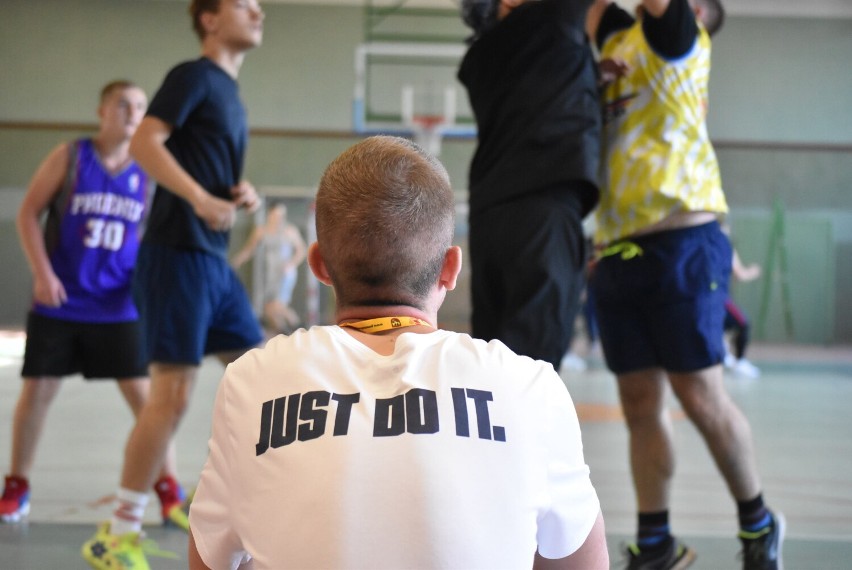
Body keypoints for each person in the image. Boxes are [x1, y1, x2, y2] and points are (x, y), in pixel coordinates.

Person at [187, 136, 609, 570]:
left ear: (318, 265)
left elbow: (210, 561)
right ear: (450, 267)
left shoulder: (253, 380)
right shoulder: (529, 385)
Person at [586, 0, 784, 568]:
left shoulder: (680, 37)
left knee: (700, 397)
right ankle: (656, 544)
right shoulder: (613, 44)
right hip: (618, 247)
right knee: (639, 403)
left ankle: (758, 524)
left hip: (682, 241)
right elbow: (595, 12)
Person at [82, 1, 265, 568]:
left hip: (213, 262)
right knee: (173, 396)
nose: (259, 11)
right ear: (209, 19)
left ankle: (233, 504)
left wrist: (236, 190)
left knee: (263, 377)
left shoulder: (230, 94)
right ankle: (119, 532)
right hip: (176, 255)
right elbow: (145, 143)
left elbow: (200, 160)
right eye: (244, 4)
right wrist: (201, 198)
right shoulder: (193, 76)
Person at [0, 81, 186, 527]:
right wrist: (42, 273)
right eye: (123, 104)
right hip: (60, 299)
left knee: (148, 402)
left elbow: (157, 236)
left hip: (118, 304)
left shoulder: (150, 170)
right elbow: (28, 213)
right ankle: (17, 487)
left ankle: (170, 490)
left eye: (140, 106)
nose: (132, 112)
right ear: (102, 109)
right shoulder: (71, 156)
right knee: (38, 390)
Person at [457, 0, 601, 372]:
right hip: (542, 209)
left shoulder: (480, 57)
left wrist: (590, 78)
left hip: (490, 216)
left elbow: (535, 94)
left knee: (494, 362)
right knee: (533, 370)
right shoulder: (552, 19)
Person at [231, 202, 307, 334]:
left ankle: (300, 329)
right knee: (268, 309)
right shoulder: (261, 231)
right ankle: (284, 334)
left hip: (285, 273)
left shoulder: (289, 230)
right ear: (269, 215)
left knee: (277, 305)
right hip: (270, 274)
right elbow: (249, 250)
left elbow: (301, 250)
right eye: (275, 215)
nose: (278, 218)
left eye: (281, 215)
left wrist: (291, 263)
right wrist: (236, 262)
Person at [724, 248, 762, 378]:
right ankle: (740, 361)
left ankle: (723, 351)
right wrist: (752, 271)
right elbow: (740, 274)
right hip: (719, 298)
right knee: (743, 323)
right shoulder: (721, 242)